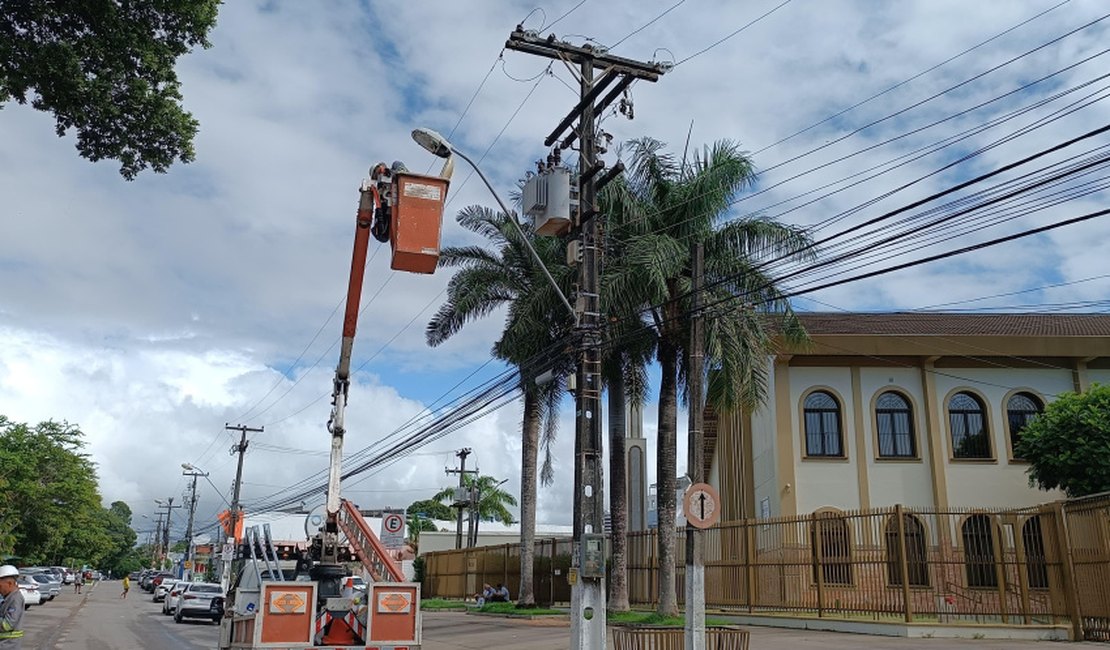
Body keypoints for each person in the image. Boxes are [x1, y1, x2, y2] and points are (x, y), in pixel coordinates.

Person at [0, 565, 25, 649]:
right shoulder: (8, 598)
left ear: (10, 583)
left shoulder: (15, 599)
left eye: (0, 586)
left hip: (8, 645)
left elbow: (8, 625)